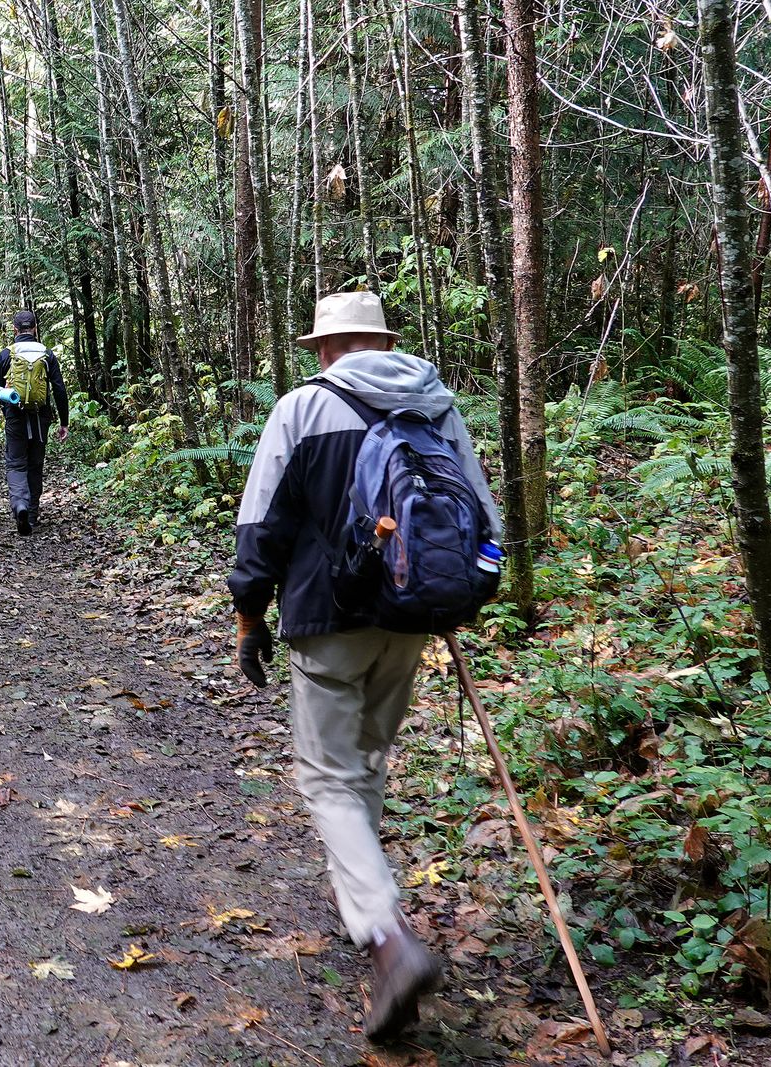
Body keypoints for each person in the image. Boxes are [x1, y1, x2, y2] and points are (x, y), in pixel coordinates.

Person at [227, 291, 502, 1043]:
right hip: (412, 616)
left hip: (328, 617)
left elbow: (262, 523)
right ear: (382, 341)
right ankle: (366, 914)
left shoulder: (303, 408)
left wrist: (250, 614)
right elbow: (480, 512)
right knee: (367, 760)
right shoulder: (433, 402)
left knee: (328, 776)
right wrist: (460, 594)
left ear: (326, 347)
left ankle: (387, 937)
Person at [0, 309, 68, 535]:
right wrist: (64, 422)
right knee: (35, 465)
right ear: (35, 328)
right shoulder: (47, 354)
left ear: (14, 329)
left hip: (15, 416)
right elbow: (59, 390)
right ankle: (32, 516)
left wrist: (6, 410)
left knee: (16, 463)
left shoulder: (7, 353)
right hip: (40, 417)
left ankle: (20, 505)